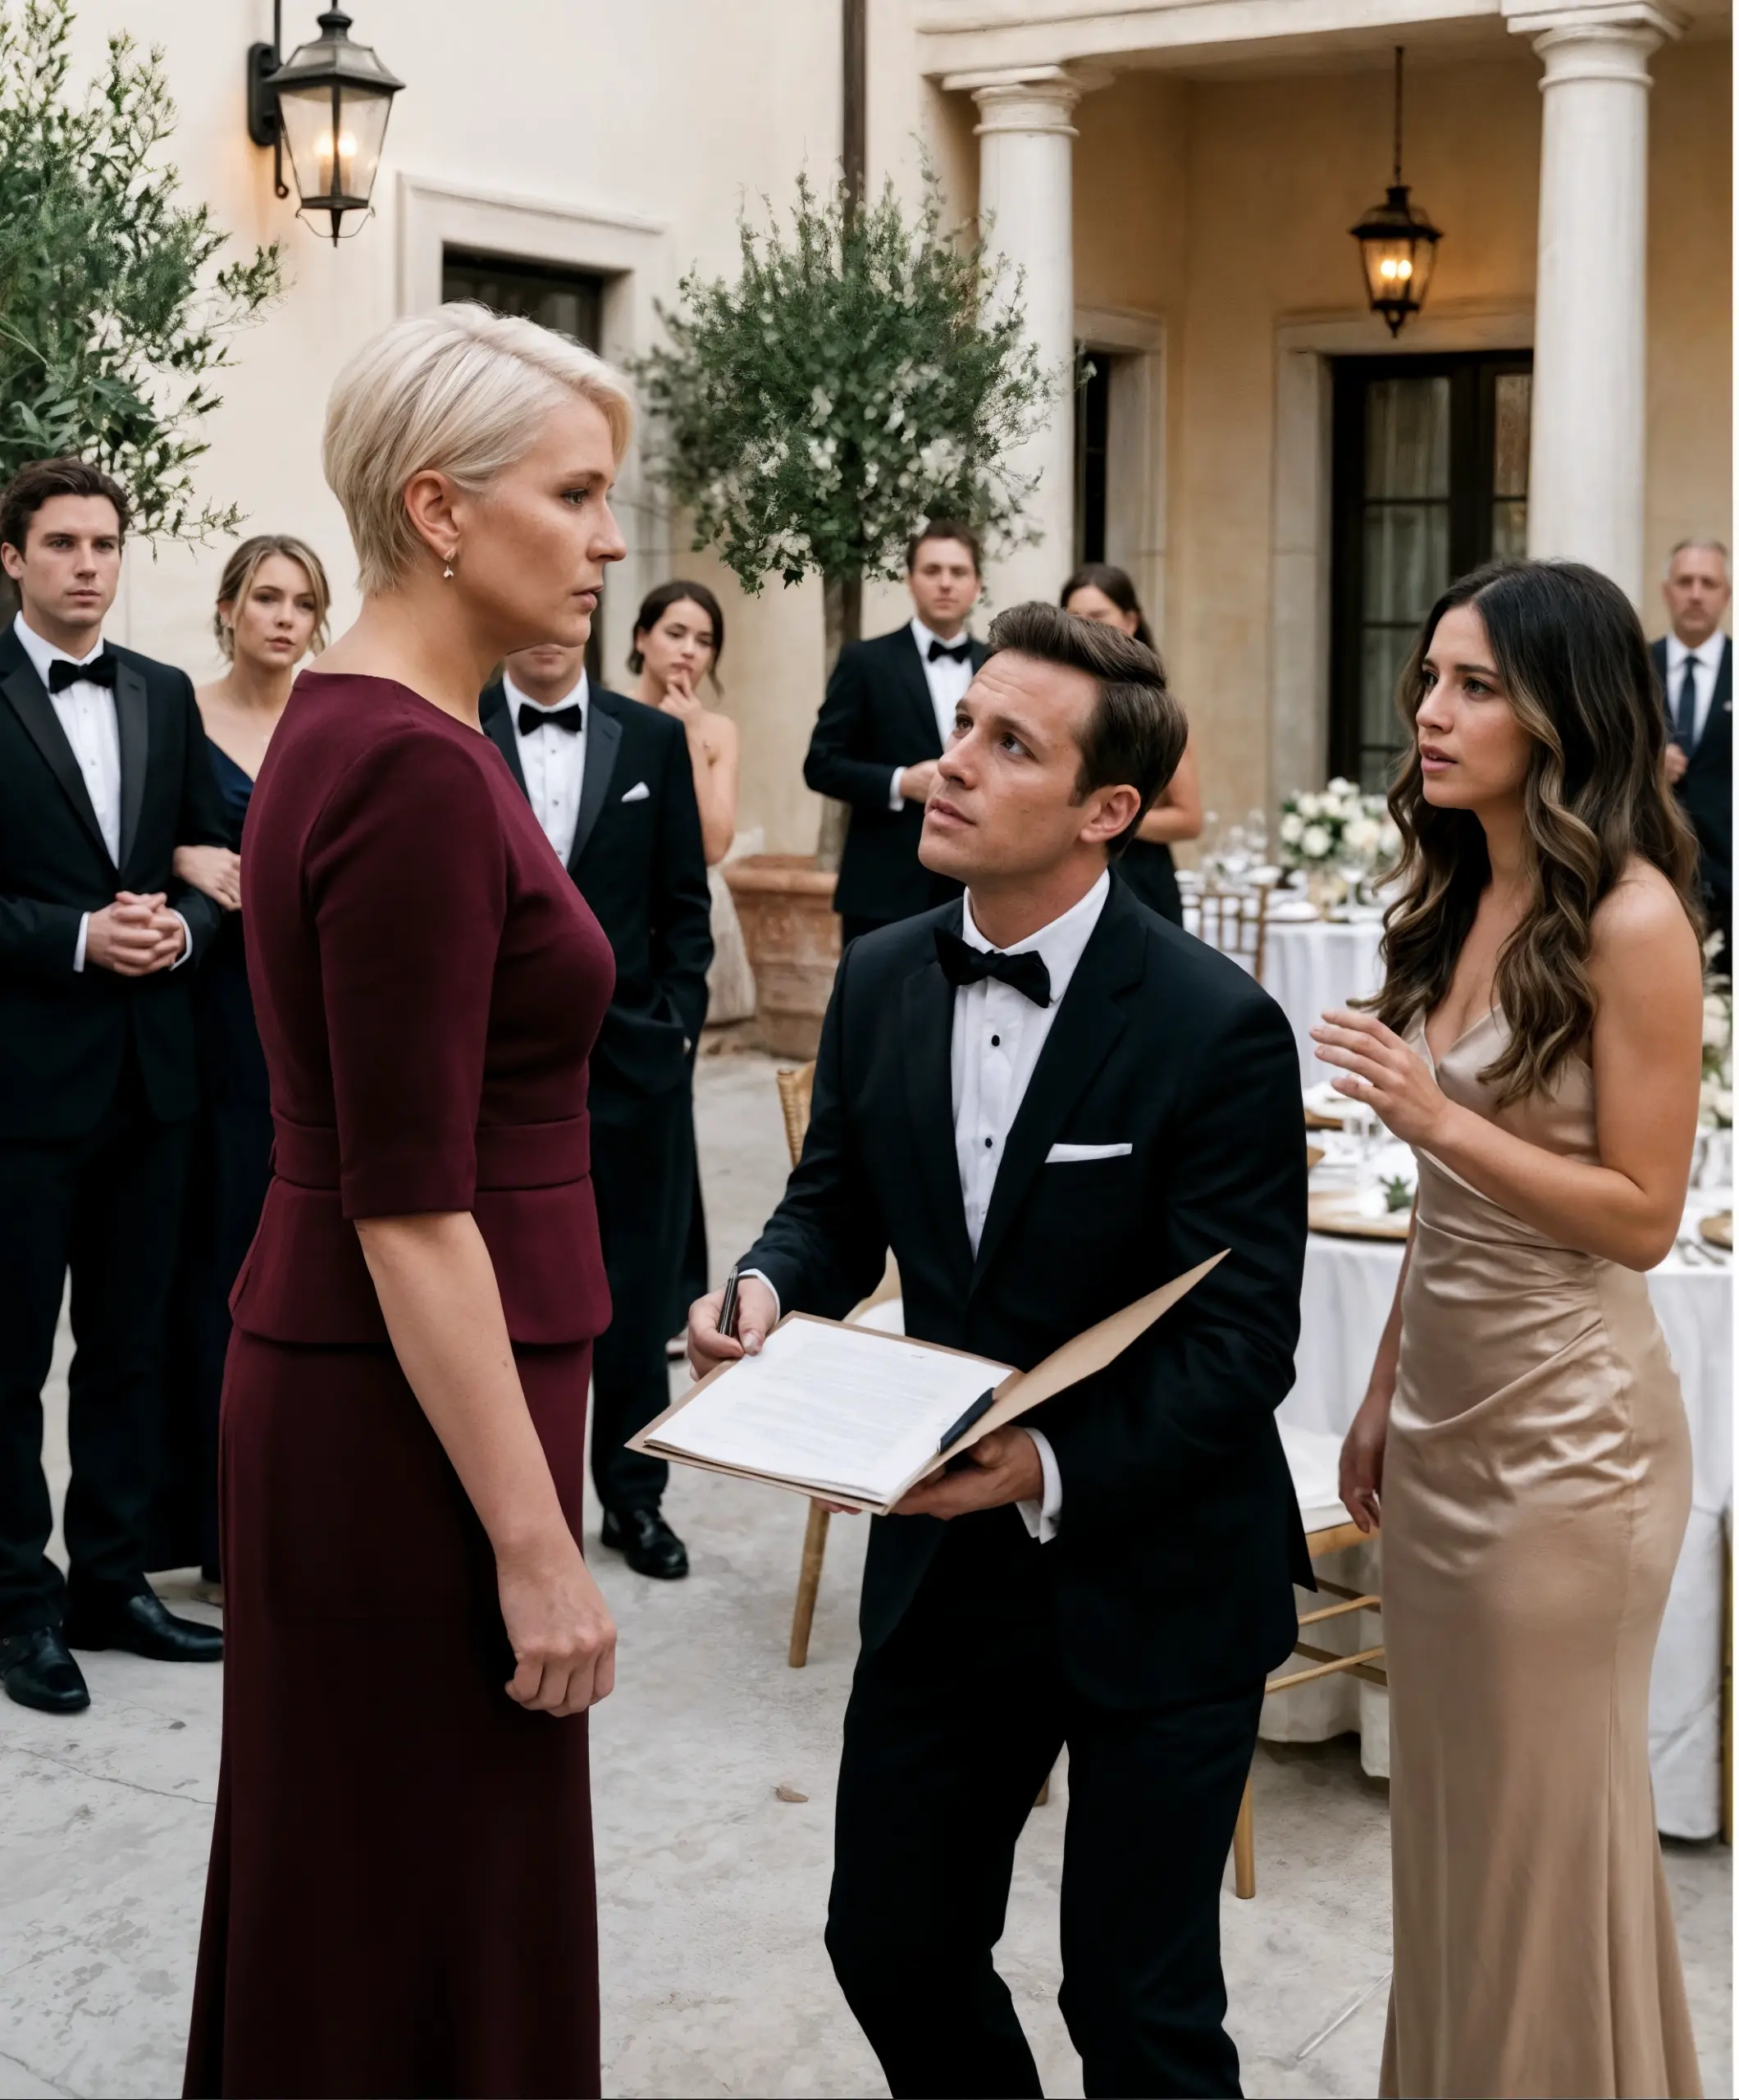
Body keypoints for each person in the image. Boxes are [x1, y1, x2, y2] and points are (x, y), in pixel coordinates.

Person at [691, 602, 1310, 2097]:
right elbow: (835, 1204)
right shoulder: (885, 974)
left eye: (1010, 744)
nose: (952, 762)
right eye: (963, 724)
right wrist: (765, 1290)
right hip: (948, 1573)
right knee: (889, 1943)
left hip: (1162, 1566)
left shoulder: (1217, 1027)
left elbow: (1241, 1344)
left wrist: (1039, 1462)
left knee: (1140, 2013)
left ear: (1108, 811)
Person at [183, 305, 628, 2098]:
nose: (610, 539)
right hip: (409, 1414)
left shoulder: (363, 724)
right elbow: (410, 1200)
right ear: (439, 510)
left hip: (401, 1385)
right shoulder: (412, 764)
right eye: (576, 494)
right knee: (414, 1906)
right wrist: (536, 1547)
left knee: (382, 1892)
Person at [1319, 559, 1704, 2098]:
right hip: (1445, 1419)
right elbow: (1448, 1202)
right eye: (1430, 677)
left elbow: (1643, 1215)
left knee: (1544, 1842)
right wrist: (1382, 1388)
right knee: (1457, 1834)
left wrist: (1434, 1116)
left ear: (1563, 714)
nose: (1431, 710)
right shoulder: (1464, 893)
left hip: (1573, 1449)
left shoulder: (1633, 917)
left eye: (1475, 686)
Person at [0, 455, 229, 1717]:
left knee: (130, 1350)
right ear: (13, 559)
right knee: (9, 1362)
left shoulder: (164, 692)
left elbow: (215, 857)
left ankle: (111, 1581)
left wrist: (186, 930)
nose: (88, 564)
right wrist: (79, 937)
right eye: (62, 543)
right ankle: (17, 1608)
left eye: (104, 544)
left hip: (153, 1081)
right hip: (23, 1088)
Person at [482, 599, 712, 1582]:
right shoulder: (457, 726)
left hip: (633, 1065)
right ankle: (510, 1509)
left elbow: (683, 906)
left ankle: (632, 1497)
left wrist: (676, 1029)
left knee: (631, 1286)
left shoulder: (652, 739)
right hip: (491, 1068)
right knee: (495, 1290)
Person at [627, 578, 743, 1327]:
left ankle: (675, 1290)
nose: (688, 652)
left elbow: (714, 842)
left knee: (670, 1111)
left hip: (672, 941)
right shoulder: (605, 714)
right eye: (675, 633)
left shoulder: (715, 730)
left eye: (703, 641)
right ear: (641, 637)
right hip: (610, 932)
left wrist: (692, 742)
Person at [805, 520, 989, 946]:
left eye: (958, 572)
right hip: (881, 891)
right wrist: (901, 782)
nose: (945, 583)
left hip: (977, 892)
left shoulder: (999, 666)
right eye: (932, 570)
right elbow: (821, 764)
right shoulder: (865, 662)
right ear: (910, 580)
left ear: (977, 584)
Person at [1061, 562, 1202, 923]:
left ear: (1130, 622)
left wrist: (1103, 817)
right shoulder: (1053, 702)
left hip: (1140, 881)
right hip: (1063, 881)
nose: (1086, 628)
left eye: (1098, 616)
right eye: (1075, 618)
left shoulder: (1158, 711)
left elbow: (1189, 819)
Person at [1652, 538, 1731, 975]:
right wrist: (1646, 763)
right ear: (1667, 592)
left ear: (1727, 594)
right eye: (1685, 582)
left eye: (1708, 583)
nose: (1696, 594)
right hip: (1651, 873)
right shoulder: (1632, 668)